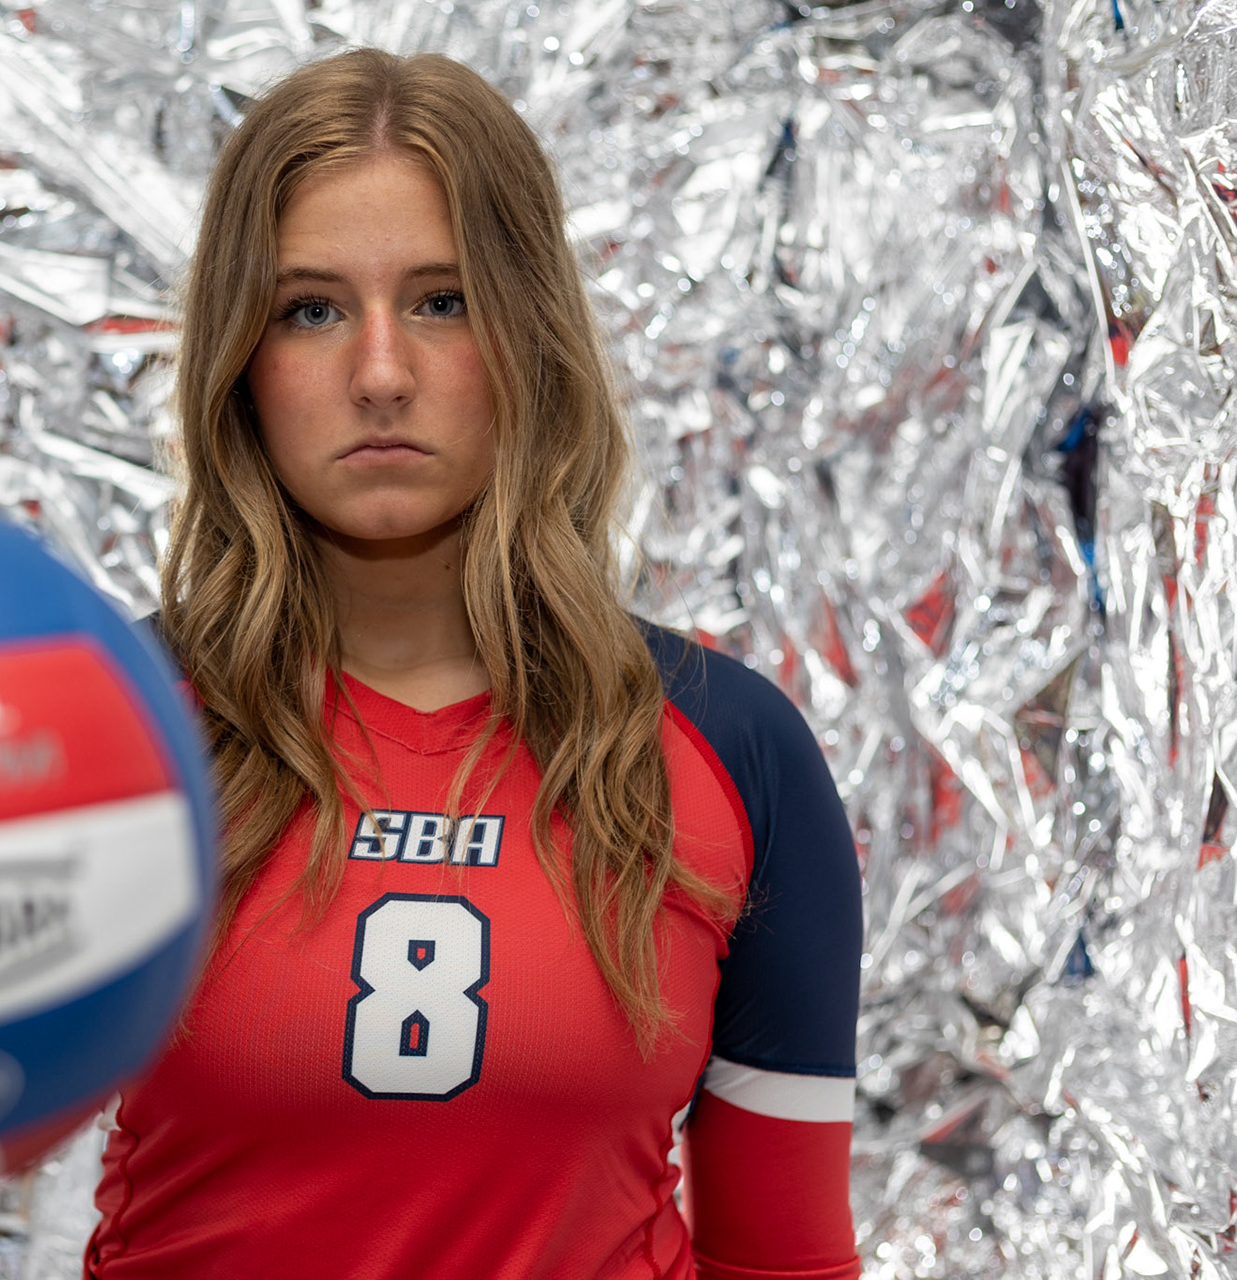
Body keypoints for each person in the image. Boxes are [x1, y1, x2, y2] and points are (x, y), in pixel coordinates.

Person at [87, 48, 863, 1280]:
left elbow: (785, 1261)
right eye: (312, 308)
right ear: (240, 359)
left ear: (531, 335)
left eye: (442, 300)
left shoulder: (734, 751)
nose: (381, 373)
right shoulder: (109, 731)